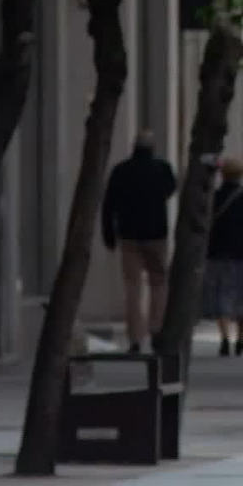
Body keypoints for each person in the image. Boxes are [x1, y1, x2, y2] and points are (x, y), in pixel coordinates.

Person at [101, 131, 178, 352]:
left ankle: (135, 337)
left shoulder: (121, 171)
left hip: (129, 236)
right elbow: (171, 188)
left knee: (132, 287)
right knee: (159, 283)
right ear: (152, 149)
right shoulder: (162, 169)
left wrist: (109, 234)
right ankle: (156, 329)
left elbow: (109, 204)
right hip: (156, 234)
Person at [203, 158, 243, 357]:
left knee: (220, 294)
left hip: (217, 254)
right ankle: (240, 338)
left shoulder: (214, 198)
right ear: (241, 175)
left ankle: (224, 338)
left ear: (223, 175)